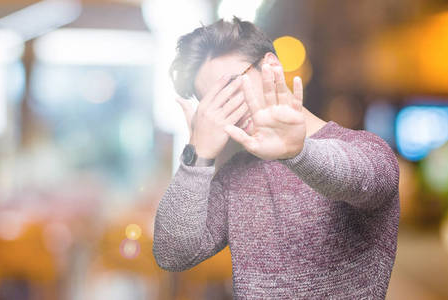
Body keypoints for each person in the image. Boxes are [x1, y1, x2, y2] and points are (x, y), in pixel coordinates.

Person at [152, 17, 399, 299]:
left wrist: (298, 153)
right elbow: (172, 253)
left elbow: (363, 178)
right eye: (213, 103)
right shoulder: (235, 177)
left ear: (271, 66)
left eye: (232, 87)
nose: (229, 109)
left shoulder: (366, 149)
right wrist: (197, 155)